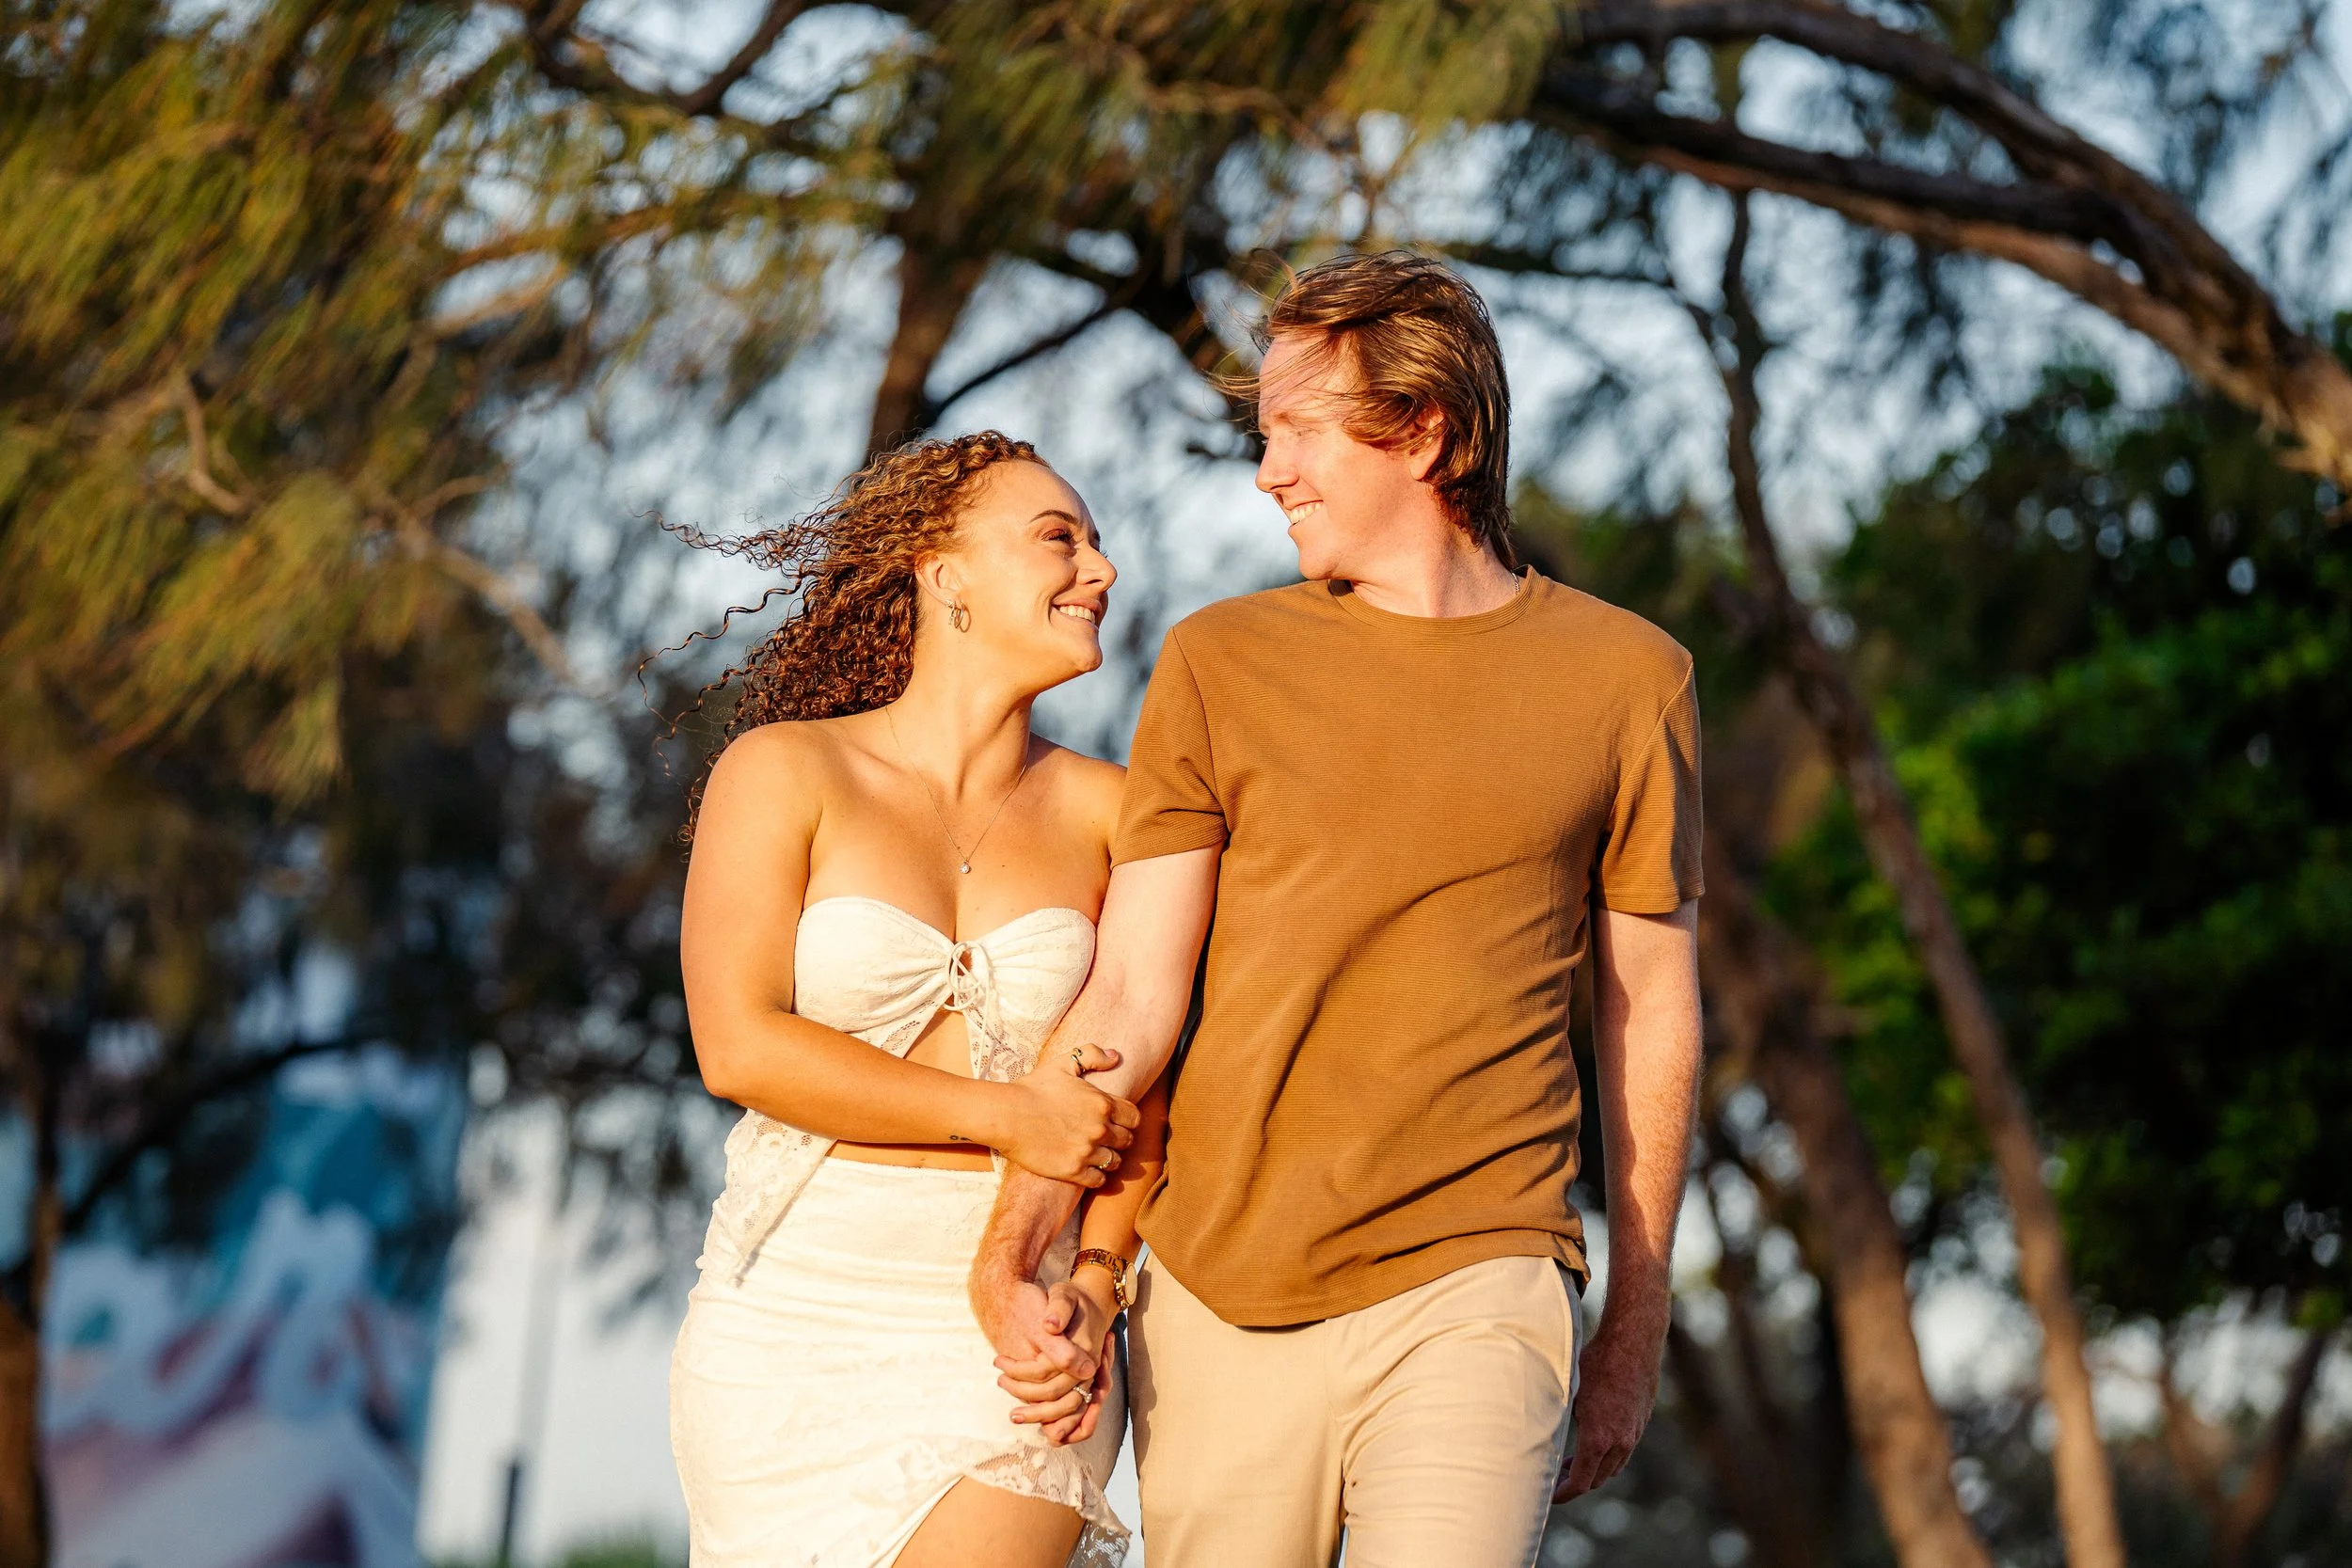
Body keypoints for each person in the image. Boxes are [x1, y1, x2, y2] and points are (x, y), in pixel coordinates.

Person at [973, 251, 1708, 1568]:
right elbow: (1131, 992)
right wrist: (1013, 1246)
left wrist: (1634, 1328)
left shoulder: (1628, 679)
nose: (1270, 472)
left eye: (1299, 430)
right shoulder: (1219, 661)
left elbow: (1648, 1006)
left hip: (1481, 1270)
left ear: (1422, 431)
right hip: (1217, 1289)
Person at [667, 432, 1157, 1568]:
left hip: (1022, 1327)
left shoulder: (1119, 811)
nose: (1100, 568)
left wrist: (1096, 1284)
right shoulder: (785, 770)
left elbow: (1153, 1075)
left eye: (1093, 542)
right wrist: (1010, 1114)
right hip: (787, 1311)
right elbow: (738, 1046)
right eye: (1059, 538)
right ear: (944, 574)